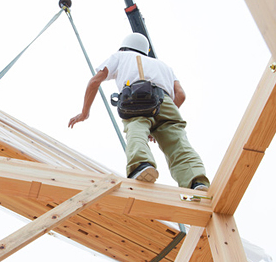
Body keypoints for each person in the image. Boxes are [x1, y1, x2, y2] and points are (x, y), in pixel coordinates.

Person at [68, 32, 209, 191]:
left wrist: (84, 112)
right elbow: (181, 95)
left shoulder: (121, 56)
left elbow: (94, 82)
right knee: (178, 142)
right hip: (166, 102)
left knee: (136, 127)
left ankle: (141, 165)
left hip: (137, 96)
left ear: (124, 47)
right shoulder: (164, 66)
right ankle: (196, 181)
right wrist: (159, 118)